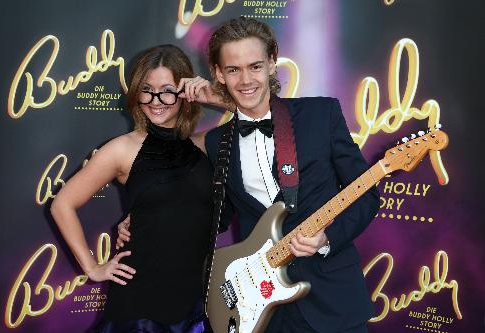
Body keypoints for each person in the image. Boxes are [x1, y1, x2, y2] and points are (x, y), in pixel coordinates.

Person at [119, 17, 380, 333]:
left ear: (272, 63)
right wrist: (149, 220)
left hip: (333, 301)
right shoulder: (217, 143)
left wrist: (327, 238)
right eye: (233, 69)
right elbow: (215, 215)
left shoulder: (320, 115)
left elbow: (366, 194)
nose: (246, 80)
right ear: (217, 73)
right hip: (259, 309)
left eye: (255, 66)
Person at [51, 44, 228, 333]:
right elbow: (62, 205)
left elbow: (262, 115)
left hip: (194, 303)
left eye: (167, 89)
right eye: (147, 89)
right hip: (139, 306)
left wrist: (212, 94)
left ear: (185, 93)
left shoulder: (203, 145)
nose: (156, 100)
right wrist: (93, 268)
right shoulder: (122, 149)